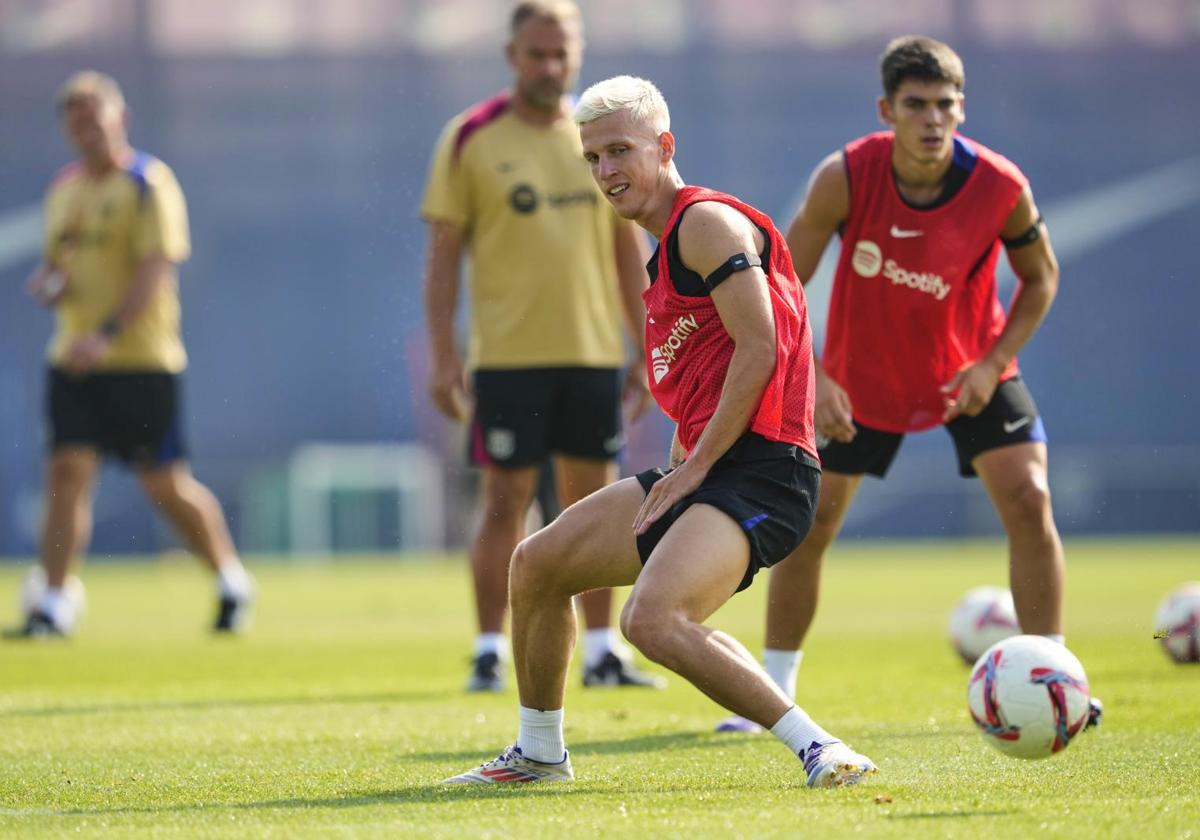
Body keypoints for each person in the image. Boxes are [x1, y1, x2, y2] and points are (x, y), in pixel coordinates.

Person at [442, 75, 878, 788]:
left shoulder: (705, 224)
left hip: (764, 472)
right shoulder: (666, 245)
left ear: (665, 146)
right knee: (538, 564)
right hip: (714, 470)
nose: (607, 172)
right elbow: (719, 367)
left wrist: (696, 464)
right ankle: (540, 754)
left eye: (620, 151)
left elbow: (759, 346)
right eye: (593, 159)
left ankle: (820, 747)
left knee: (652, 620)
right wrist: (689, 453)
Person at [715, 35, 1100, 733]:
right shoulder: (847, 176)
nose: (931, 120)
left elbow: (1041, 278)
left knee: (1028, 495)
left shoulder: (1001, 187)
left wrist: (991, 361)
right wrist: (819, 377)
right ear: (886, 109)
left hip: (969, 372)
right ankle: (771, 694)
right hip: (858, 384)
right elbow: (780, 286)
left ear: (961, 109)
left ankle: (1055, 678)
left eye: (945, 106)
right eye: (915, 105)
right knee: (812, 524)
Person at [420, 1, 661, 692]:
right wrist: (444, 352)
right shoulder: (470, 138)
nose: (552, 67)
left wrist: (645, 347)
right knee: (504, 502)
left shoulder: (599, 138)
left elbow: (625, 249)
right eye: (538, 54)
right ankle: (490, 647)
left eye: (563, 54)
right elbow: (444, 253)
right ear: (512, 55)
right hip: (506, 359)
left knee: (596, 509)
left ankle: (600, 653)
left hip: (590, 355)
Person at [7, 71, 253, 638]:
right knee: (67, 473)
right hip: (73, 360)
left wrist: (107, 334)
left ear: (120, 119)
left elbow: (157, 269)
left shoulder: (148, 183)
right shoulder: (65, 190)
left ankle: (230, 579)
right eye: (77, 121)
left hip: (141, 360)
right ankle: (54, 601)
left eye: (96, 118)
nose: (87, 130)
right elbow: (59, 266)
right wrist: (51, 284)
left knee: (162, 482)